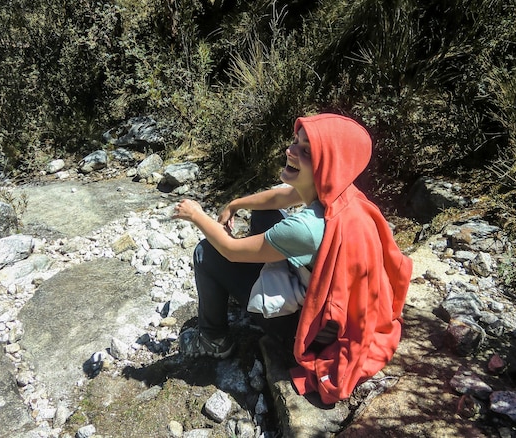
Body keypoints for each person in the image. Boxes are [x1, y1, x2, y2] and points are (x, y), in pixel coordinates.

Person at [172, 113, 412, 404]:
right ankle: (254, 285)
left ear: (328, 166)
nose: (291, 151)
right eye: (295, 142)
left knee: (205, 252)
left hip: (307, 329)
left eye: (306, 151)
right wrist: (234, 203)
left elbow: (229, 250)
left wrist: (196, 215)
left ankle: (214, 339)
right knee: (264, 214)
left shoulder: (306, 229)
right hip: (327, 307)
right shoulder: (343, 194)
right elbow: (278, 198)